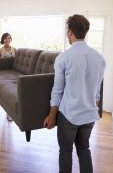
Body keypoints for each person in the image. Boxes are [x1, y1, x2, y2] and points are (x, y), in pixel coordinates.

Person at [43, 14, 106, 173]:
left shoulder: (64, 58)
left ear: (70, 32)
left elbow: (57, 90)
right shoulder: (100, 59)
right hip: (89, 115)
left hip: (69, 115)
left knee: (65, 152)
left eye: (67, 31)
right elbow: (97, 91)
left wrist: (51, 116)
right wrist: (92, 107)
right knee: (84, 149)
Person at [0, 32, 17, 121]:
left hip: (13, 72)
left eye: (9, 38)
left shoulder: (15, 50)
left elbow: (17, 62)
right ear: (3, 40)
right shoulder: (0, 51)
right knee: (7, 92)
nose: (7, 40)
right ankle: (8, 112)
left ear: (10, 39)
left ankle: (12, 112)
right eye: (5, 38)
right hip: (4, 72)